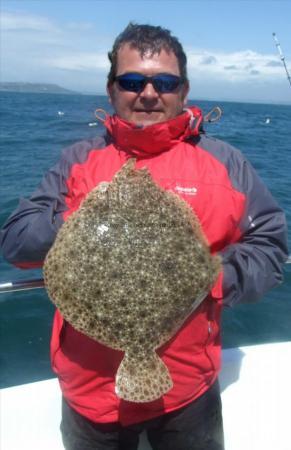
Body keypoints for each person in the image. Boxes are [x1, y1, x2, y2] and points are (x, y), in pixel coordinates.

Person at [0, 23, 288, 450]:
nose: (148, 93)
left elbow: (270, 247)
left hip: (188, 392)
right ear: (112, 89)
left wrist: (208, 281)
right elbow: (15, 241)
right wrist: (76, 219)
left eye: (165, 82)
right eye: (132, 81)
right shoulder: (77, 160)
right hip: (88, 394)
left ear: (184, 90)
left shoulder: (226, 163)